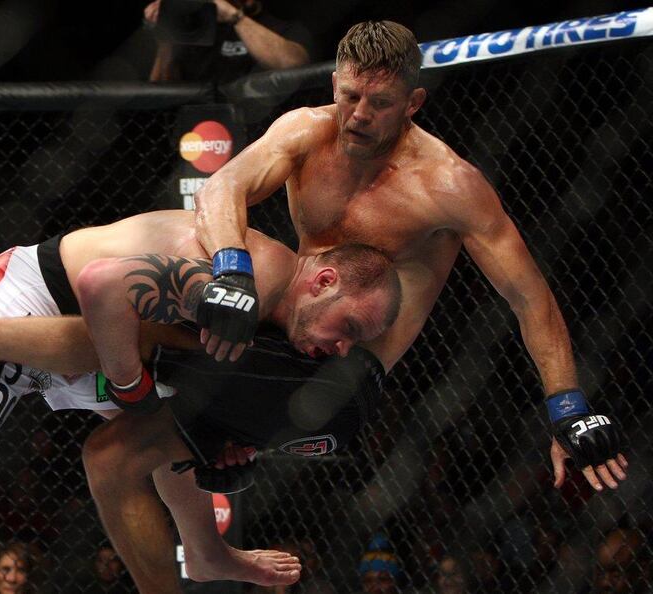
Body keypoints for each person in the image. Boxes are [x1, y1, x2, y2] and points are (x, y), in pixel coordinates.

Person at [190, 19, 626, 492]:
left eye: (380, 103)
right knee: (118, 444)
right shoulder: (305, 132)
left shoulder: (448, 185)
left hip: (344, 374)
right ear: (334, 84)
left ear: (413, 103)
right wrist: (231, 274)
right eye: (351, 96)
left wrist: (569, 409)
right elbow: (223, 186)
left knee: (160, 386)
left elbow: (528, 298)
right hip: (285, 331)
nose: (359, 115)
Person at [0, 213, 399, 591]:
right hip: (36, 302)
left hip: (93, 344)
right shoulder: (254, 278)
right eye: (348, 328)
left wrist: (221, 442)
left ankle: (205, 554)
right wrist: (130, 387)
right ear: (323, 281)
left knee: (176, 424)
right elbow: (104, 284)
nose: (342, 349)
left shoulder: (277, 327)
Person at [144, 0, 310, 83]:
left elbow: (294, 62)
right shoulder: (192, 31)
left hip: (258, 131)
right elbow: (160, 92)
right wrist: (166, 32)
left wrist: (233, 15)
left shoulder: (276, 26)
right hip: (197, 137)